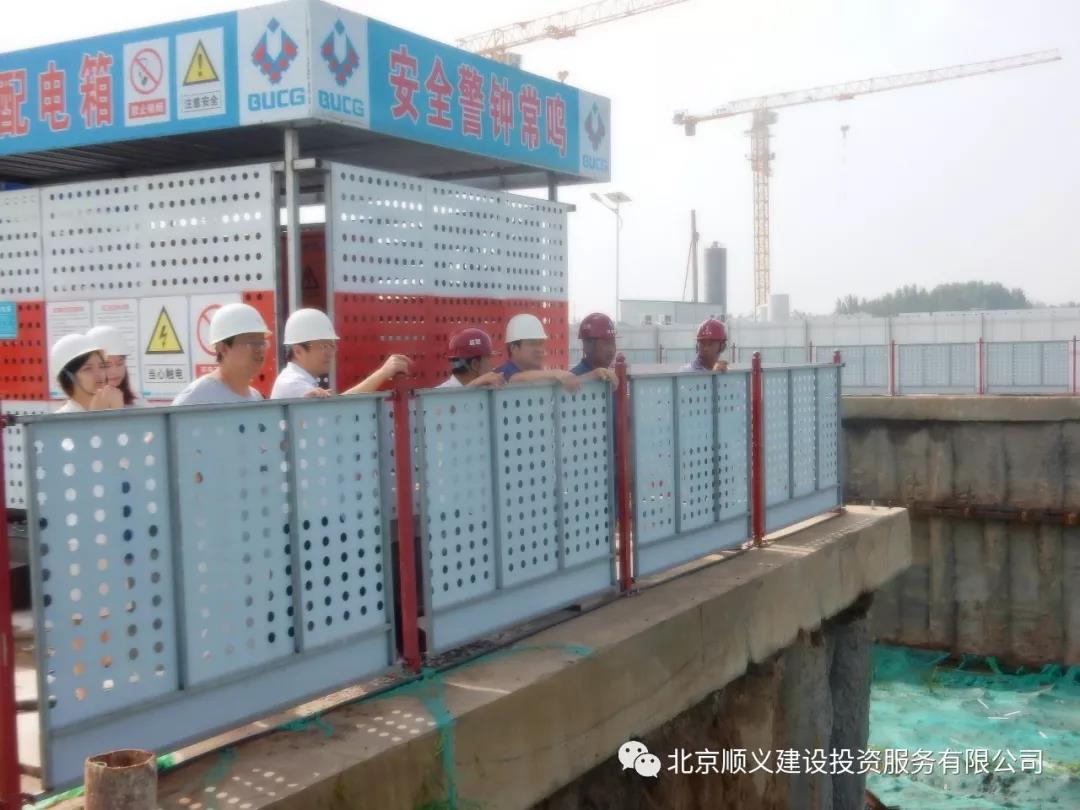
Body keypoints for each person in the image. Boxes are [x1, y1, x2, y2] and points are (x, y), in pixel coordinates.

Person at [270, 308, 410, 399]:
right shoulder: (293, 384)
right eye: (324, 345)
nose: (330, 353)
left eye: (332, 345)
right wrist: (383, 373)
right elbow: (338, 411)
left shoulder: (298, 380)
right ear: (298, 351)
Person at [172, 303, 270, 405]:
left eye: (262, 342)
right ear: (223, 348)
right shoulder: (197, 397)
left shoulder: (256, 398)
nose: (259, 349)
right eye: (251, 343)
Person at [494, 314, 582, 392]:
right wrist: (556, 373)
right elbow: (516, 378)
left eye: (541, 343)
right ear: (514, 348)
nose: (540, 349)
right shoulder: (503, 371)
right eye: (533, 344)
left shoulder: (538, 373)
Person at [50, 333, 123, 413]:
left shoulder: (114, 407)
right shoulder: (60, 418)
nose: (99, 374)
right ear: (68, 377)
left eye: (102, 366)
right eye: (88, 369)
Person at [86, 324, 139, 406]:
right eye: (106, 365)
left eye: (120, 363)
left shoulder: (137, 405)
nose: (115, 371)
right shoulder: (75, 410)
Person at [439, 328, 506, 389]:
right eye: (489, 358)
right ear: (475, 364)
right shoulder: (439, 394)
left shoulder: (485, 388)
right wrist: (475, 383)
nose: (493, 365)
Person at [571, 312, 620, 388]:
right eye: (606, 343)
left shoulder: (610, 378)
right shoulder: (572, 380)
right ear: (587, 345)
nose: (611, 349)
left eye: (613, 343)